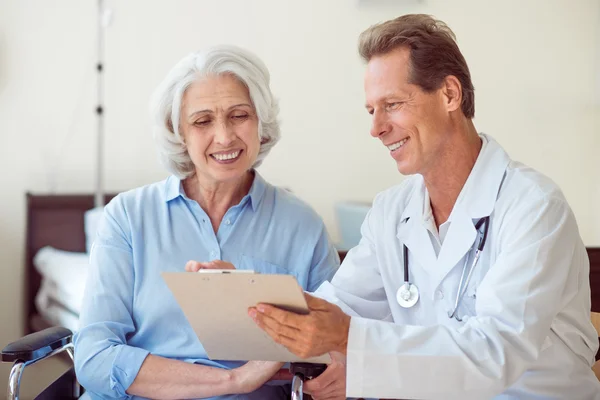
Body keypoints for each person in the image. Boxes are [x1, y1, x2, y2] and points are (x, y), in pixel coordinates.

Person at [249, 14, 600, 400]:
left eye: (393, 104)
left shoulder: (534, 208)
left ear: (450, 94)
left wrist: (353, 341)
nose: (376, 127)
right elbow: (336, 308)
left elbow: (495, 355)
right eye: (371, 110)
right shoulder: (391, 211)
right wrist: (243, 298)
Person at [73, 45, 339, 400]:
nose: (225, 136)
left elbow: (335, 343)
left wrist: (335, 369)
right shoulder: (127, 216)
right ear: (178, 132)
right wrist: (236, 380)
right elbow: (93, 357)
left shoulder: (302, 225)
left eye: (239, 115)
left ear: (261, 123)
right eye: (202, 121)